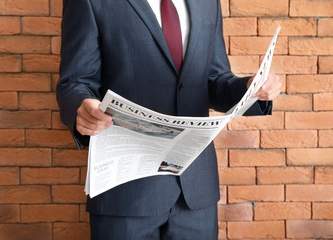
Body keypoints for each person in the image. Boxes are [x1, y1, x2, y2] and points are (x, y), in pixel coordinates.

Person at [56, 0, 281, 239]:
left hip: (195, 192)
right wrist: (82, 108)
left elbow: (215, 80)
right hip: (126, 194)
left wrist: (251, 88)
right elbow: (75, 82)